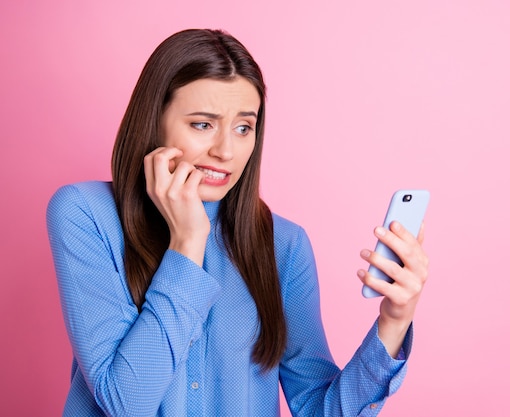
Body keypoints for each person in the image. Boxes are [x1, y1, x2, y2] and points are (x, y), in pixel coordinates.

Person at [46, 28, 429, 417]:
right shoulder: (85, 213)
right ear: (153, 121)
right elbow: (126, 402)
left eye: (244, 127)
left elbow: (317, 408)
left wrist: (394, 322)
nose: (226, 150)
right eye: (202, 124)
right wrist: (188, 241)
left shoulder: (284, 244)